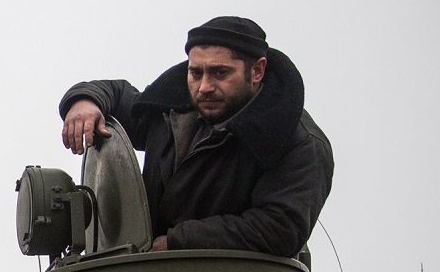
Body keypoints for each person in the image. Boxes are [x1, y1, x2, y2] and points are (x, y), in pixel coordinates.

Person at [57, 16, 333, 257]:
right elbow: (117, 95)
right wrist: (85, 101)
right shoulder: (169, 110)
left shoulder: (298, 142)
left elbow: (279, 228)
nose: (204, 87)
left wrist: (180, 241)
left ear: (257, 71)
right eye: (195, 73)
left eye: (220, 73)